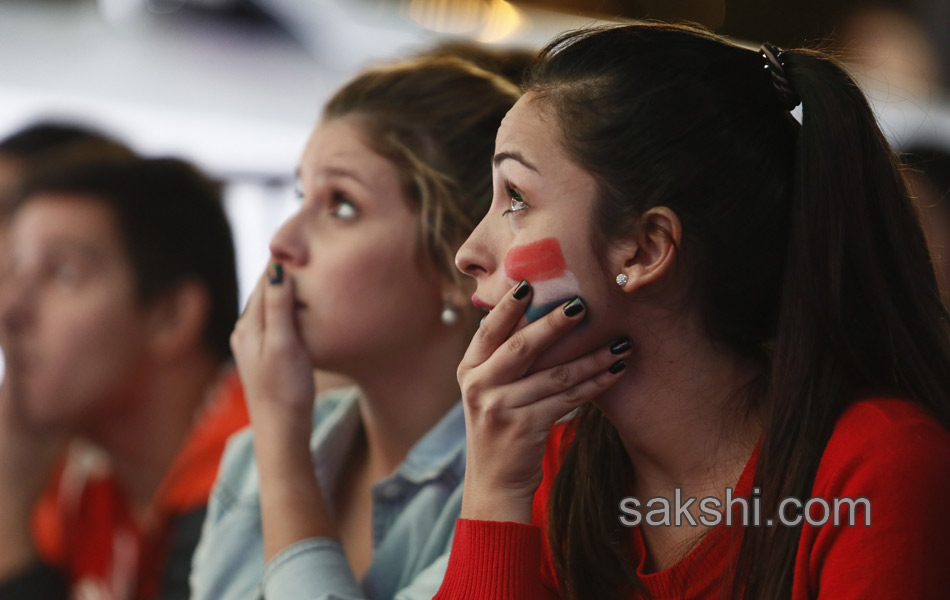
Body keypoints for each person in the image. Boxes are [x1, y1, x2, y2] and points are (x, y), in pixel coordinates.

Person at [435, 23, 950, 599]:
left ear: (647, 248)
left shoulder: (876, 466)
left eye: (517, 198)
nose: (469, 254)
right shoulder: (560, 468)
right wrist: (493, 493)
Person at [190, 55, 520, 600]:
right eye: (302, 196)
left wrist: (282, 446)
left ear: (460, 262)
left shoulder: (519, 482)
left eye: (341, 205)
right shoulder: (252, 457)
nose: (283, 242)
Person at [0, 156, 247, 600]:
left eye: (63, 275)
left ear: (171, 317)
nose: (11, 309)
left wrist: (6, 516)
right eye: (13, 270)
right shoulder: (94, 483)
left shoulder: (254, 490)